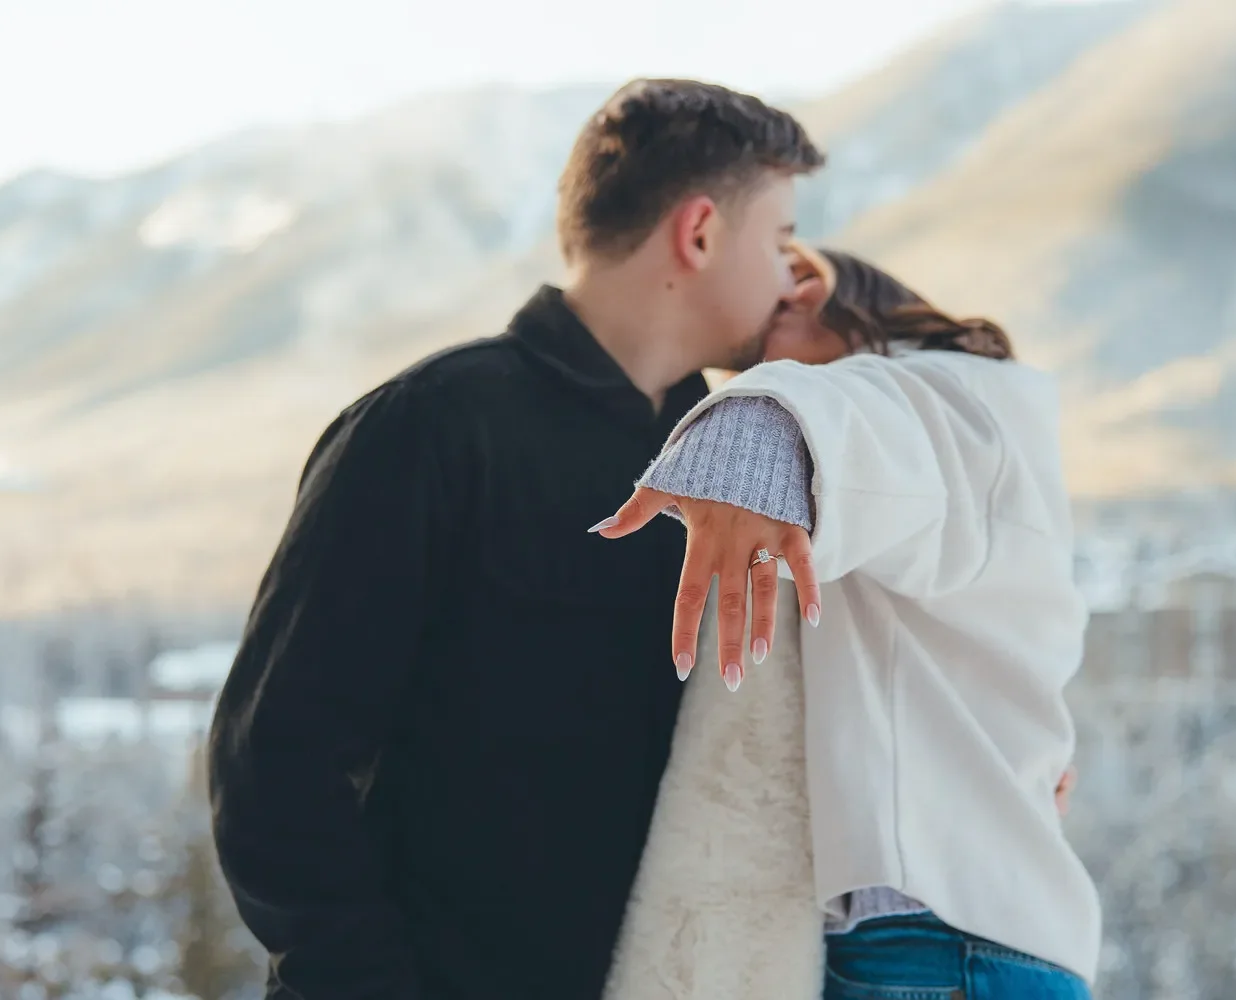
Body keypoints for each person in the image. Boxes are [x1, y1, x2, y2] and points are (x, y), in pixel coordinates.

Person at [204, 78, 824, 1000]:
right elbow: (274, 766)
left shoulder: (744, 458)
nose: (795, 277)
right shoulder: (429, 428)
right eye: (778, 240)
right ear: (698, 233)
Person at [598, 245, 1100, 999]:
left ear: (877, 296)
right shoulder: (983, 427)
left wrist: (760, 427)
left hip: (939, 952)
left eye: (803, 278)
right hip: (963, 946)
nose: (781, 292)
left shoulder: (958, 394)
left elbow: (877, 424)